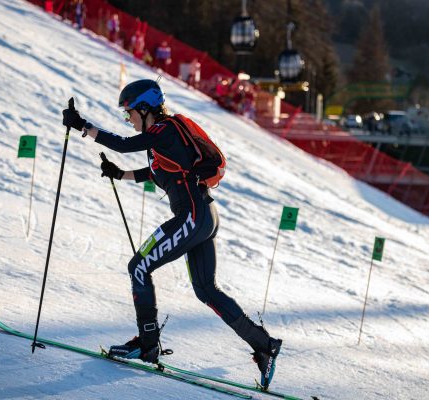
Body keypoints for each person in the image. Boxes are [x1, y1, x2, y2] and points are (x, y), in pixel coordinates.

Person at [61, 79, 282, 389]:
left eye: (129, 113)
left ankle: (147, 344)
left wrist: (83, 125)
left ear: (144, 108)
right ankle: (265, 346)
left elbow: (124, 144)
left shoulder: (164, 130)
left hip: (193, 216)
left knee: (138, 267)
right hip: (203, 216)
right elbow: (156, 173)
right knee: (206, 290)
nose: (129, 119)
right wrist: (119, 174)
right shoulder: (162, 140)